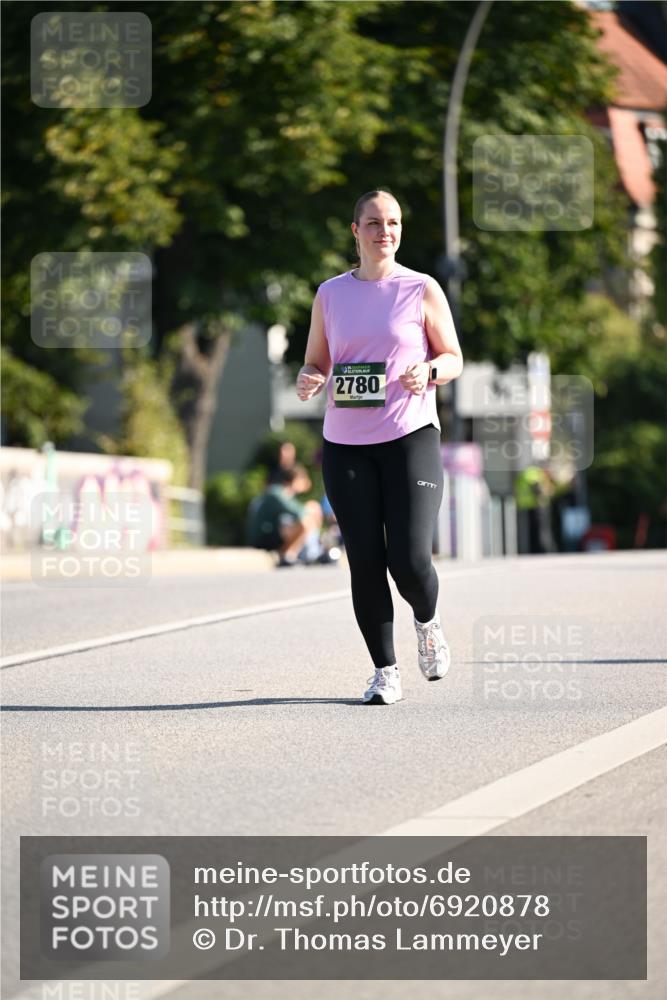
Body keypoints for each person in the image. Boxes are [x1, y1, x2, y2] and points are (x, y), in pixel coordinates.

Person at [296, 188, 463, 704]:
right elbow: (316, 361)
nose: (383, 231)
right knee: (365, 560)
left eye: (392, 222)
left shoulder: (421, 288)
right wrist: (308, 379)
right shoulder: (330, 294)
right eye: (372, 223)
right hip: (345, 444)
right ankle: (384, 671)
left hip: (411, 434)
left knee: (409, 560)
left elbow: (454, 356)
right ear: (355, 231)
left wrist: (429, 370)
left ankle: (428, 622)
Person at [246, 463, 326, 567]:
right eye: (303, 479)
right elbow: (299, 512)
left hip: (273, 533)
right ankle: (288, 555)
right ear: (295, 480)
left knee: (307, 517)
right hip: (263, 537)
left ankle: (311, 551)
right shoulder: (276, 493)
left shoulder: (284, 494)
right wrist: (312, 508)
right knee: (306, 521)